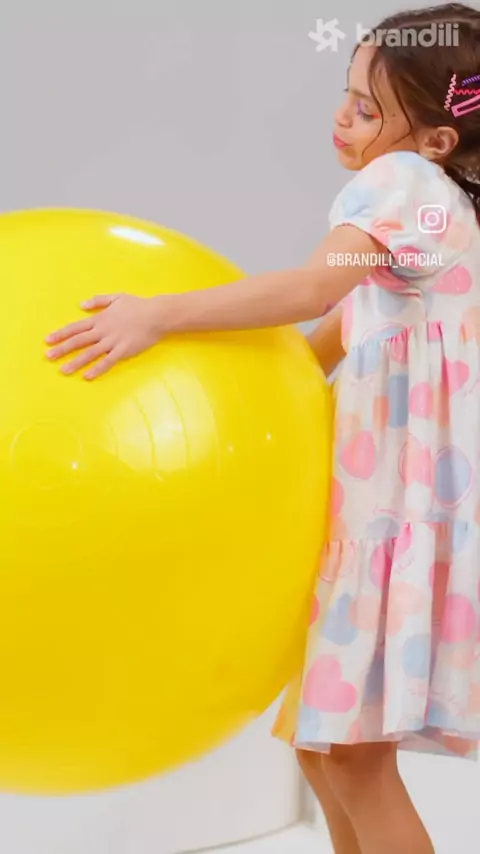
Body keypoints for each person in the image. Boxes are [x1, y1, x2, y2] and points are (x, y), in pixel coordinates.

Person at [46, 4, 480, 852]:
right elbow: (340, 326)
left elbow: (313, 289)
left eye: (366, 108)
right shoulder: (441, 208)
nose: (341, 117)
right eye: (345, 93)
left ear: (434, 140)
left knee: (351, 760)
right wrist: (265, 409)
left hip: (389, 513)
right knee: (325, 752)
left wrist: (160, 316)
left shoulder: (400, 184)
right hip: (401, 510)